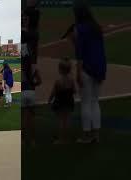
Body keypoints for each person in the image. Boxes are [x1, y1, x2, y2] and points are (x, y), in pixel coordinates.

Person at [72, 2, 107, 144]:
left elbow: (80, 53)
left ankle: (86, 136)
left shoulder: (79, 29)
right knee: (95, 101)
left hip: (87, 67)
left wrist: (78, 73)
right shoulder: (97, 28)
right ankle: (96, 135)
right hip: (100, 66)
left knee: (86, 102)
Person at [48, 58, 76, 144]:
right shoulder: (71, 80)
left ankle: (61, 139)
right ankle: (66, 138)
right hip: (69, 101)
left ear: (60, 69)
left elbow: (53, 92)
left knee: (61, 120)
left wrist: (49, 100)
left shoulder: (58, 81)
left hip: (60, 102)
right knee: (67, 120)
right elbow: (75, 91)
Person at [23, 58, 42, 147]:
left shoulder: (22, 70)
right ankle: (32, 140)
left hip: (23, 93)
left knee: (23, 118)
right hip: (31, 92)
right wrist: (33, 84)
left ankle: (23, 140)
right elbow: (39, 81)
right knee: (31, 119)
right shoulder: (34, 70)